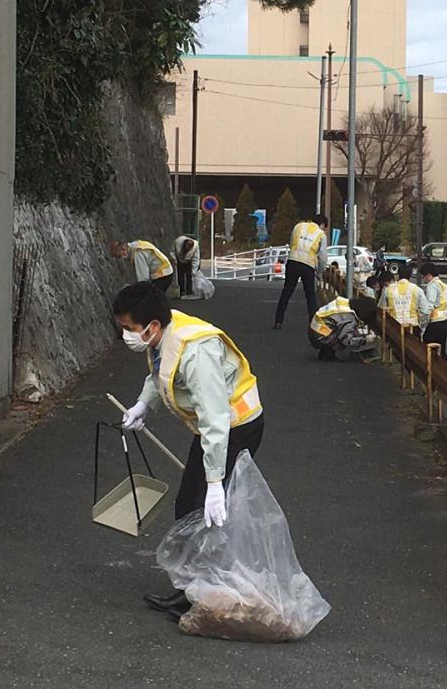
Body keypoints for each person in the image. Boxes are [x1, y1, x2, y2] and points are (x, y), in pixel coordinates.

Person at [112, 282, 265, 619]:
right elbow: (160, 375)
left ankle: (202, 594)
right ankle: (196, 590)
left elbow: (214, 419)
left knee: (201, 508)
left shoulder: (197, 353)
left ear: (151, 326)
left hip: (235, 426)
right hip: (221, 427)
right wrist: (143, 405)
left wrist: (214, 482)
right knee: (192, 507)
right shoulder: (165, 333)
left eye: (129, 328)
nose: (125, 335)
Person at [273, 214, 328, 329]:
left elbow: (292, 242)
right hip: (308, 265)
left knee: (286, 292)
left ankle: (278, 321)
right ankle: (313, 325)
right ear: (322, 225)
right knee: (310, 296)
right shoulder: (321, 234)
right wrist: (320, 271)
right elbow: (322, 256)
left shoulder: (298, 226)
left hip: (293, 261)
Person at [308, 296, 379, 362]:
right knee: (344, 335)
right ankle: (328, 353)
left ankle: (325, 351)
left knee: (343, 329)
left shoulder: (344, 303)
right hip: (319, 337)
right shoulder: (348, 316)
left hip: (315, 330)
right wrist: (365, 340)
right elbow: (346, 340)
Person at [110, 240, 175, 294]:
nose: (120, 258)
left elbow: (143, 278)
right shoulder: (137, 245)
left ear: (123, 249)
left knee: (152, 299)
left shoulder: (138, 254)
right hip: (166, 271)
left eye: (119, 256)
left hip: (163, 274)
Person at [419, 262, 447, 359]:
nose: (422, 279)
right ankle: (445, 371)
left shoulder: (432, 286)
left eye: (423, 276)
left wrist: (423, 324)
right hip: (445, 321)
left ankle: (431, 372)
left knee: (429, 352)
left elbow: (429, 306)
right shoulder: (443, 285)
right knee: (441, 352)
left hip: (435, 323)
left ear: (428, 276)